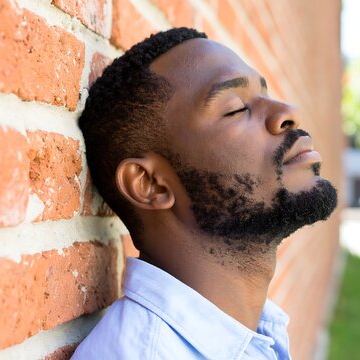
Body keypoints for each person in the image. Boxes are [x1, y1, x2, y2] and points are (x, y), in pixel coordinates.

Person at [71, 27, 337, 359]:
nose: (287, 113)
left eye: (265, 93)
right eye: (236, 108)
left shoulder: (257, 333)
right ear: (151, 184)